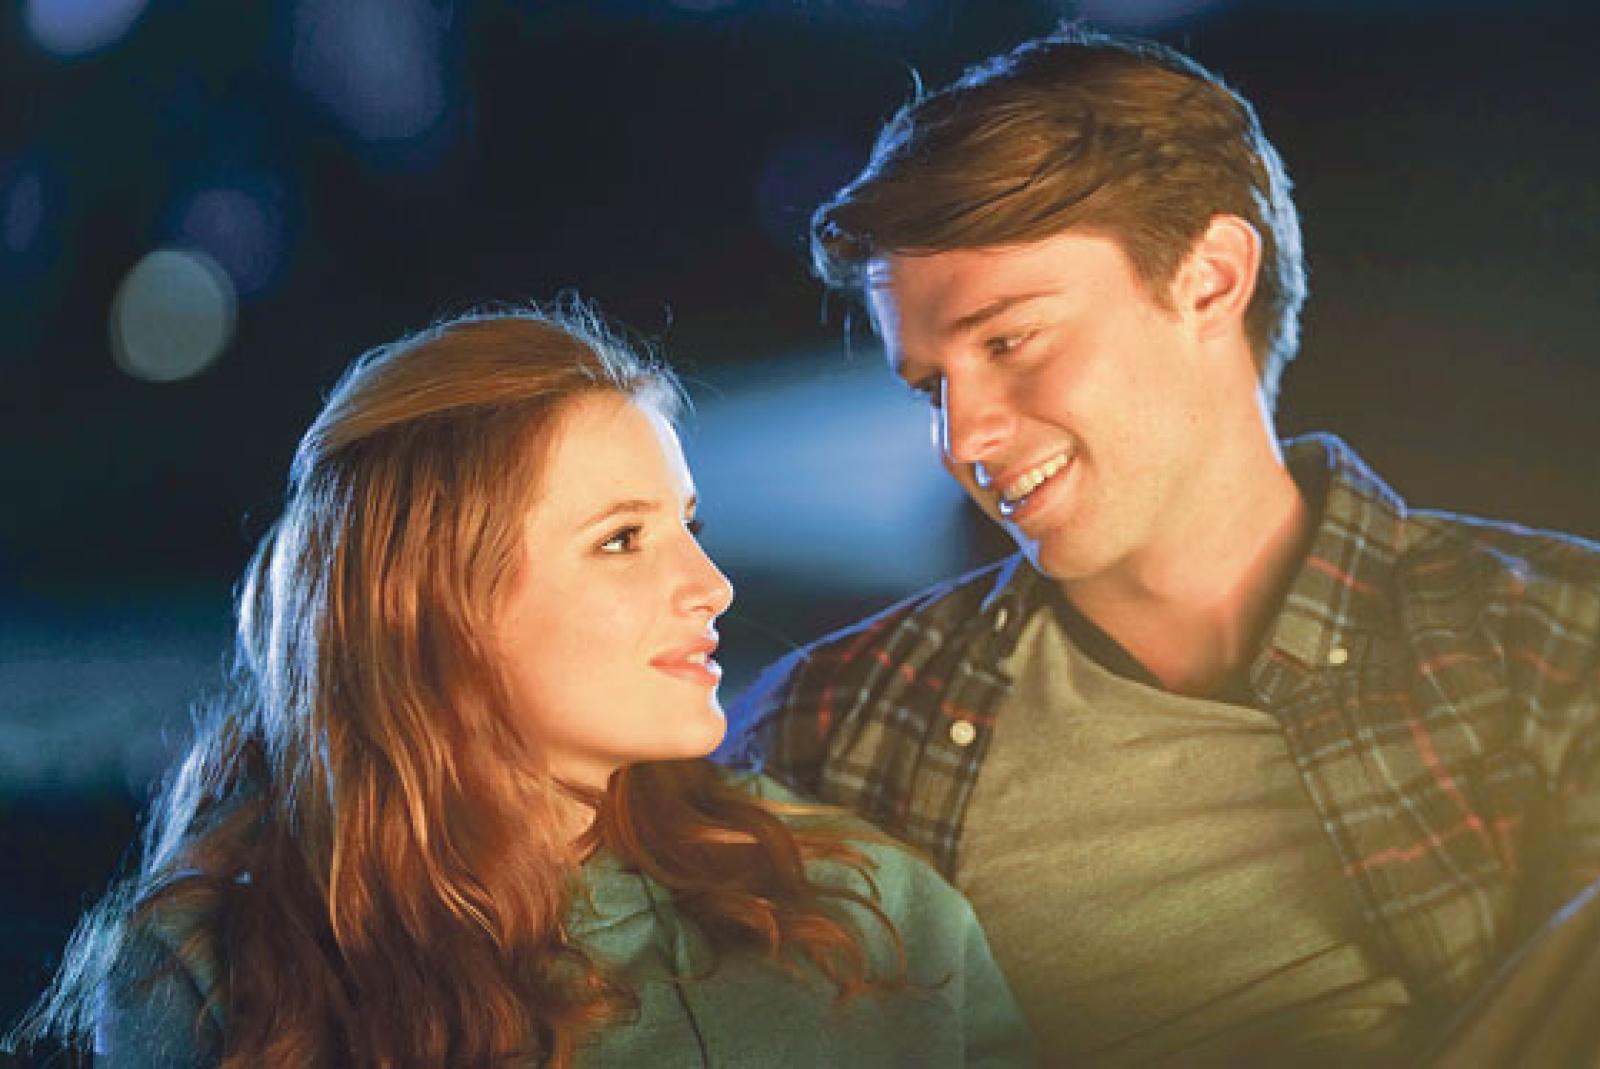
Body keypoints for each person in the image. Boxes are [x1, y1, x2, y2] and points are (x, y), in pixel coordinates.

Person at [726, 25, 1600, 1067]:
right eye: (930, 388)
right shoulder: (831, 730)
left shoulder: (1555, 640)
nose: (962, 439)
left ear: (1212, 279)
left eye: (1009, 340)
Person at [5, 306, 1034, 1068]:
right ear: (436, 609)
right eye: (622, 540)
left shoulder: (869, 917)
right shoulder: (216, 968)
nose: (710, 585)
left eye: (690, 527)